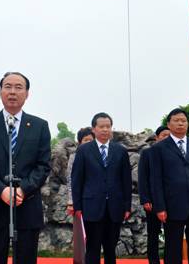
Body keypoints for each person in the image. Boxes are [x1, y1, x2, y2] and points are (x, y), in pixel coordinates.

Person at [0, 72, 51, 264]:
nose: (13, 92)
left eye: (18, 87)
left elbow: (43, 165)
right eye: (8, 86)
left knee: (25, 258)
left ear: (27, 93)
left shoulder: (40, 126)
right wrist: (2, 190)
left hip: (27, 203)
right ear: (0, 92)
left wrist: (23, 189)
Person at [151, 108, 189, 264]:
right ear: (169, 124)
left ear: (188, 124)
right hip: (172, 206)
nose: (180, 123)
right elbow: (156, 180)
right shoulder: (159, 148)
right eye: (176, 120)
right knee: (173, 248)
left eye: (183, 121)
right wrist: (159, 207)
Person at [71, 112, 132, 264]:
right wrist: (77, 206)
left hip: (115, 207)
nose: (105, 129)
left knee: (111, 248)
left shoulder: (121, 151)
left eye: (108, 126)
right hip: (91, 206)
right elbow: (77, 180)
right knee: (93, 247)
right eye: (101, 126)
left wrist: (127, 206)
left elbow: (126, 180)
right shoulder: (84, 150)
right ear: (94, 129)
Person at [138, 125, 170, 264]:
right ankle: (153, 261)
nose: (167, 138)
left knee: (172, 235)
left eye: (169, 136)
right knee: (153, 234)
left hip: (171, 201)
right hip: (152, 202)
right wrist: (145, 199)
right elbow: (143, 177)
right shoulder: (148, 153)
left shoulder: (176, 153)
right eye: (164, 135)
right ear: (157, 138)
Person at [66, 127, 95, 264]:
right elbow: (70, 180)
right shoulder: (74, 156)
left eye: (91, 140)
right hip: (79, 202)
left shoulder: (99, 155)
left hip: (96, 201)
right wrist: (72, 201)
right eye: (86, 140)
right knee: (80, 236)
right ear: (79, 142)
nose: (89, 142)